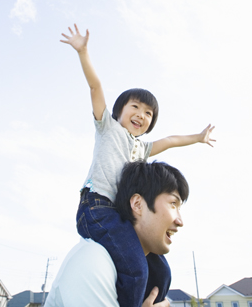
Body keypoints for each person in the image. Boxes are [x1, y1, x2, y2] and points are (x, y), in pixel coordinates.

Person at [60, 24, 215, 307]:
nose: (141, 115)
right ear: (119, 110)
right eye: (135, 107)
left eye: (148, 113)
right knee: (135, 267)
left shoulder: (141, 149)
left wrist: (198, 137)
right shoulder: (107, 128)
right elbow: (95, 87)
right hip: (96, 209)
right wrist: (83, 52)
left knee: (161, 272)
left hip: (121, 215)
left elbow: (170, 140)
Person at [44, 161, 189, 307]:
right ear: (137, 204)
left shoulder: (149, 273)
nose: (180, 221)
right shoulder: (94, 260)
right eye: (173, 204)